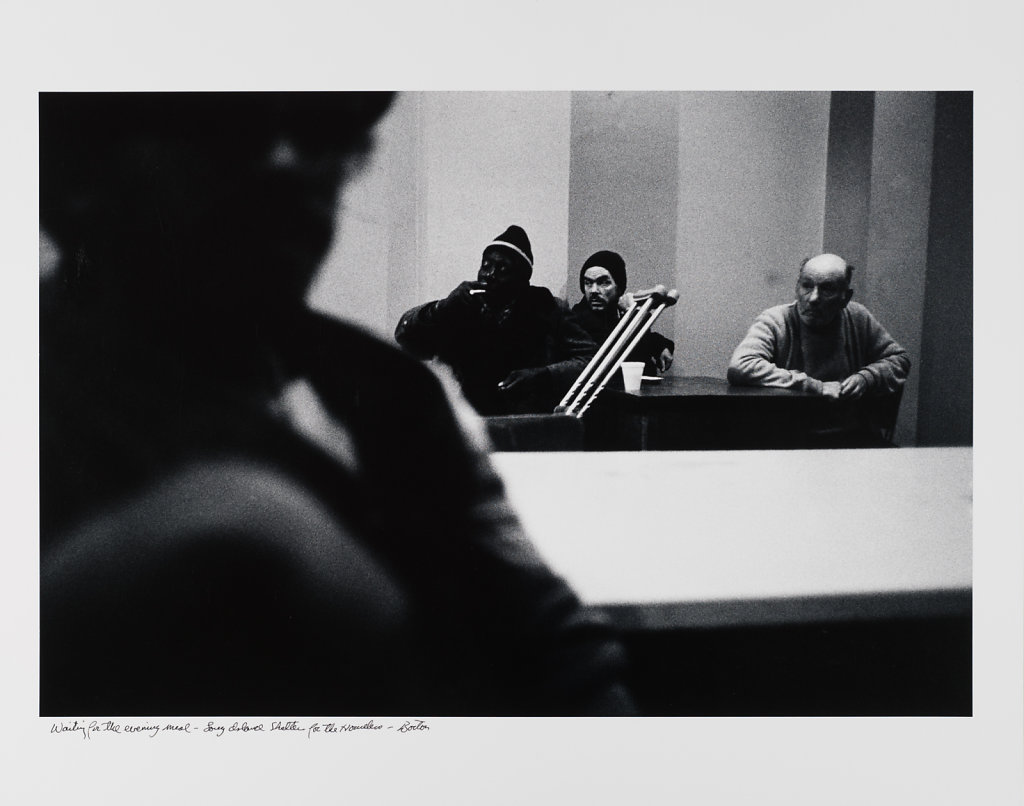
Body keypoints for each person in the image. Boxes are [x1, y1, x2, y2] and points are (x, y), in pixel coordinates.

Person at [39, 92, 635, 717]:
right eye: (226, 125)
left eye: (323, 134)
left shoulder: (392, 396)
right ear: (77, 173)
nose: (291, 163)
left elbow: (558, 657)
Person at [394, 226, 597, 416]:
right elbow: (405, 336)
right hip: (471, 421)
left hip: (528, 423)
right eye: (486, 266)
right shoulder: (462, 305)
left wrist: (543, 375)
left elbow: (590, 360)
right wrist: (442, 307)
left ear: (522, 278)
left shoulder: (548, 308)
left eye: (502, 269)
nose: (489, 275)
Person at [727, 253, 910, 444]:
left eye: (827, 289)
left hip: (850, 438)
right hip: (788, 439)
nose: (813, 298)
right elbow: (741, 365)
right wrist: (816, 387)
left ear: (845, 297)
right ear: (796, 288)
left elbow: (899, 359)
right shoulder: (775, 320)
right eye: (807, 286)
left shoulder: (858, 316)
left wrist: (867, 378)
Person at [569, 250, 675, 376]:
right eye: (588, 283)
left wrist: (660, 346)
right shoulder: (577, 319)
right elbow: (632, 354)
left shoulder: (614, 311)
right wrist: (633, 313)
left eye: (604, 283)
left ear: (619, 288)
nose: (594, 290)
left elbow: (643, 339)